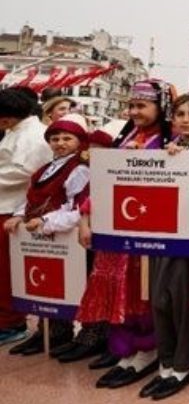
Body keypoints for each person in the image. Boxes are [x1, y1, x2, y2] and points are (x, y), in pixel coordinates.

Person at [78, 79, 173, 390]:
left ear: (162, 108)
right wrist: (85, 217)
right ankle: (126, 350)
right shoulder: (128, 136)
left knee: (141, 291)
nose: (134, 111)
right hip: (114, 229)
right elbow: (102, 182)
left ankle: (148, 350)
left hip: (146, 229)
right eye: (131, 106)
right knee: (119, 290)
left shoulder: (168, 143)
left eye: (141, 106)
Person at [136, 94, 189, 400]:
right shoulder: (171, 147)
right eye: (179, 114)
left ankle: (183, 367)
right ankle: (166, 365)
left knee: (184, 305)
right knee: (159, 301)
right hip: (162, 233)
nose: (184, 119)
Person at [4, 112, 90, 356]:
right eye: (55, 139)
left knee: (69, 286)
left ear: (78, 141)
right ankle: (48, 332)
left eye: (67, 138)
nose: (60, 143)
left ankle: (73, 333)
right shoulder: (45, 169)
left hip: (64, 236)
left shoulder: (79, 169)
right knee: (45, 285)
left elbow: (76, 208)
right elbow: (32, 198)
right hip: (41, 235)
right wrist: (20, 215)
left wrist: (45, 221)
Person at [0, 88, 52, 347]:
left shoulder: (33, 135)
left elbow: (22, 171)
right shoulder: (17, 130)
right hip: (5, 204)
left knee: (6, 270)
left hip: (14, 207)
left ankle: (12, 322)